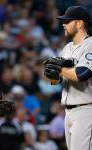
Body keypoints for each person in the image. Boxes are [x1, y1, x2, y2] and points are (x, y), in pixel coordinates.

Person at [51, 5, 92, 150]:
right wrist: (54, 76)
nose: (63, 24)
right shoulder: (67, 48)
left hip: (86, 110)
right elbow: (58, 80)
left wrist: (60, 69)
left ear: (79, 23)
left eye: (68, 21)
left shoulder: (90, 45)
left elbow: (82, 74)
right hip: (68, 112)